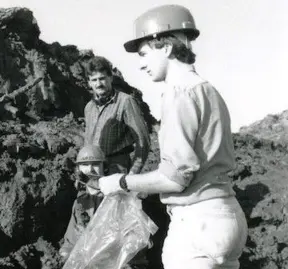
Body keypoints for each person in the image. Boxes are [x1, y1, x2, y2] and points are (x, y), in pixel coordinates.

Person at [98, 5, 248, 269]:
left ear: (166, 47)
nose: (141, 64)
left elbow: (175, 178)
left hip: (197, 223)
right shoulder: (208, 90)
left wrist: (121, 182)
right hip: (229, 217)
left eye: (144, 53)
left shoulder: (178, 94)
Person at [84, 56, 150, 176]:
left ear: (110, 77)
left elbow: (143, 141)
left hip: (118, 170)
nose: (98, 84)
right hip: (94, 170)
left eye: (102, 78)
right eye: (94, 80)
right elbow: (87, 142)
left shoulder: (126, 101)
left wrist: (133, 173)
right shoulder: (89, 108)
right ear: (89, 82)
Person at [59, 145, 105, 260]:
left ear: (104, 166)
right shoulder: (80, 202)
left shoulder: (114, 199)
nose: (90, 169)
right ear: (78, 169)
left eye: (95, 164)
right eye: (85, 165)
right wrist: (65, 254)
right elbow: (70, 240)